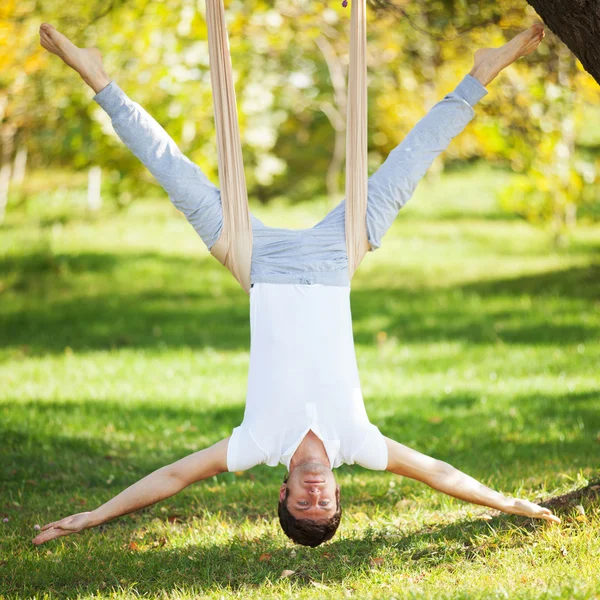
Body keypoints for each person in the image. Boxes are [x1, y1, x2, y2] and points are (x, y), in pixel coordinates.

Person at [33, 21, 560, 549]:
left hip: (255, 260)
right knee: (410, 161)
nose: (314, 494)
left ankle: (96, 75)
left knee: (174, 171)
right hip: (337, 257)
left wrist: (95, 515)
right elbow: (439, 474)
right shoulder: (361, 444)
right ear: (338, 493)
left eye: (302, 502)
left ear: (281, 493)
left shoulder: (255, 445)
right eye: (324, 502)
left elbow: (172, 477)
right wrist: (507, 501)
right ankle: (482, 72)